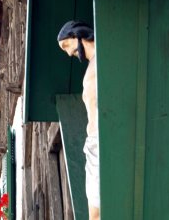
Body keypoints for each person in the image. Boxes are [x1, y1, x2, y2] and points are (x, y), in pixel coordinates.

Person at [57, 21, 100, 220]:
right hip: (93, 144)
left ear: (77, 35)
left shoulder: (103, 58)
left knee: (96, 213)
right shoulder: (92, 64)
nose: (67, 53)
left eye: (66, 45)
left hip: (101, 140)